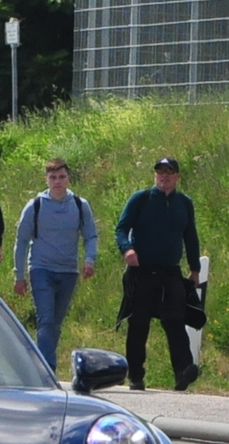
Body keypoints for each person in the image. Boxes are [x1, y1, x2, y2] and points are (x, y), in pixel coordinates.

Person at [114, 155, 201, 392]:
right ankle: (136, 375)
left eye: (169, 172)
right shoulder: (141, 199)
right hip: (141, 271)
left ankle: (183, 370)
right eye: (160, 171)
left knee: (175, 320)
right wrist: (127, 249)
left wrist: (195, 268)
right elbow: (121, 229)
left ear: (177, 177)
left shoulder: (184, 203)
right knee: (139, 322)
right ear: (155, 175)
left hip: (171, 271)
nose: (164, 176)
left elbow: (190, 236)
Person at [12, 158, 98, 375]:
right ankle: (46, 370)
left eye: (61, 177)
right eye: (53, 177)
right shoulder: (35, 206)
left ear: (68, 178)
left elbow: (90, 236)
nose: (57, 182)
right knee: (46, 318)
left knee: (55, 323)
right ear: (46, 180)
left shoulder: (80, 205)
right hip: (41, 269)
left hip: (69, 270)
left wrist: (90, 260)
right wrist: (19, 275)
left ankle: (36, 358)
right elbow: (21, 241)